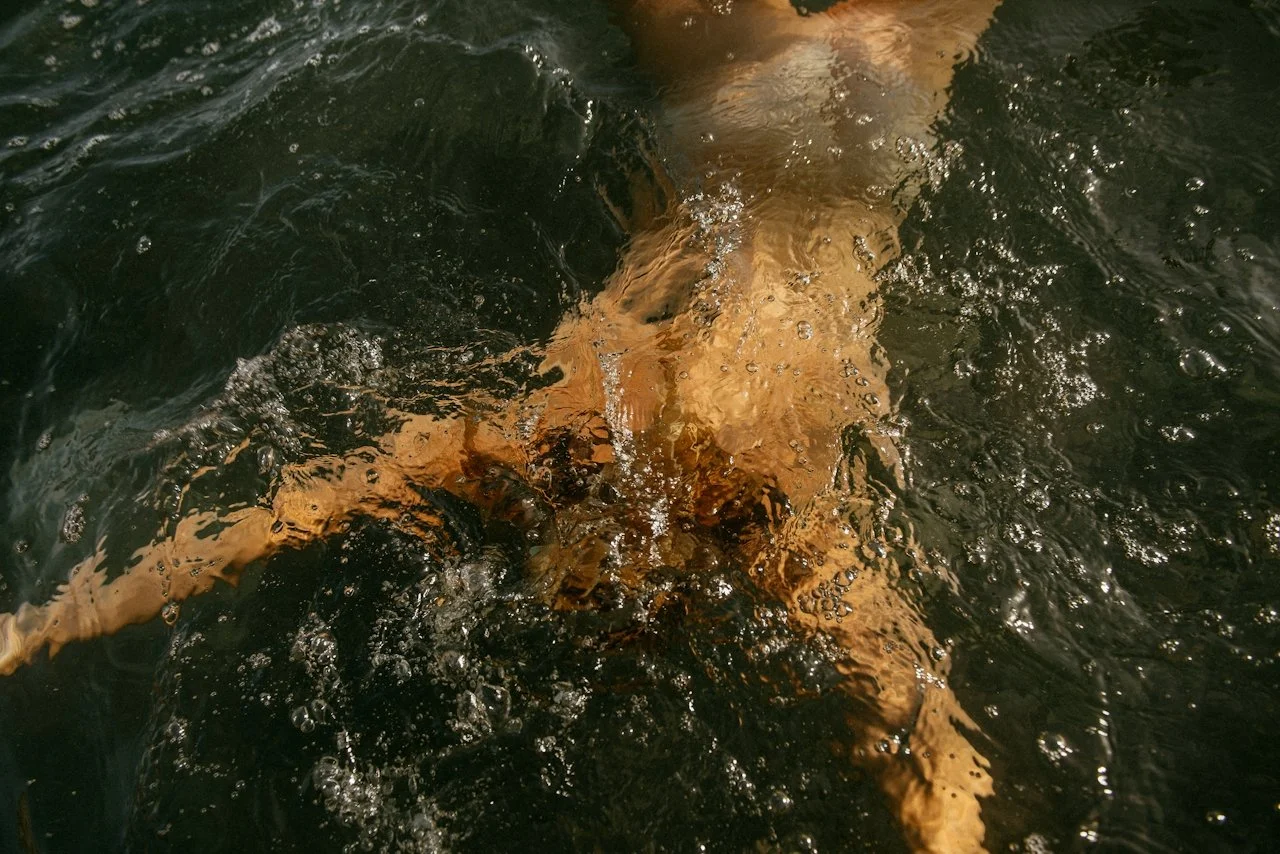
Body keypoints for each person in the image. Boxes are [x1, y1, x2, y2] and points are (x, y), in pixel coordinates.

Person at [0, 2, 1003, 850]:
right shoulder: (579, 442)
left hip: (851, 120)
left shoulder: (759, 512)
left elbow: (928, 734)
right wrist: (46, 623)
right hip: (742, 108)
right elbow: (274, 511)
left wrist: (49, 624)